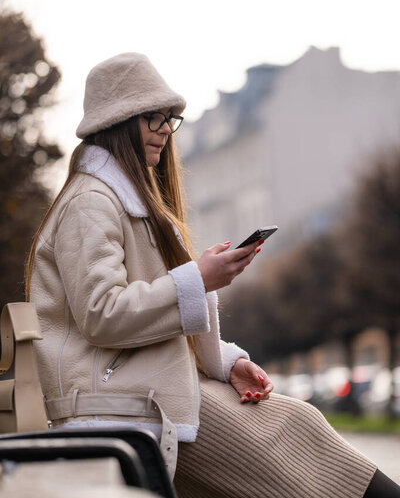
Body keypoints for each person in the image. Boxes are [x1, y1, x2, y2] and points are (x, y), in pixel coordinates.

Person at [26, 53, 400, 498]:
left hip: (153, 389)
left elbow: (143, 317)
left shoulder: (119, 201)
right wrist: (197, 279)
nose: (167, 129)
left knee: (300, 422)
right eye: (154, 117)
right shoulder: (91, 202)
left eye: (170, 118)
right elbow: (103, 315)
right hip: (126, 402)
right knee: (295, 437)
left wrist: (224, 362)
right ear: (118, 122)